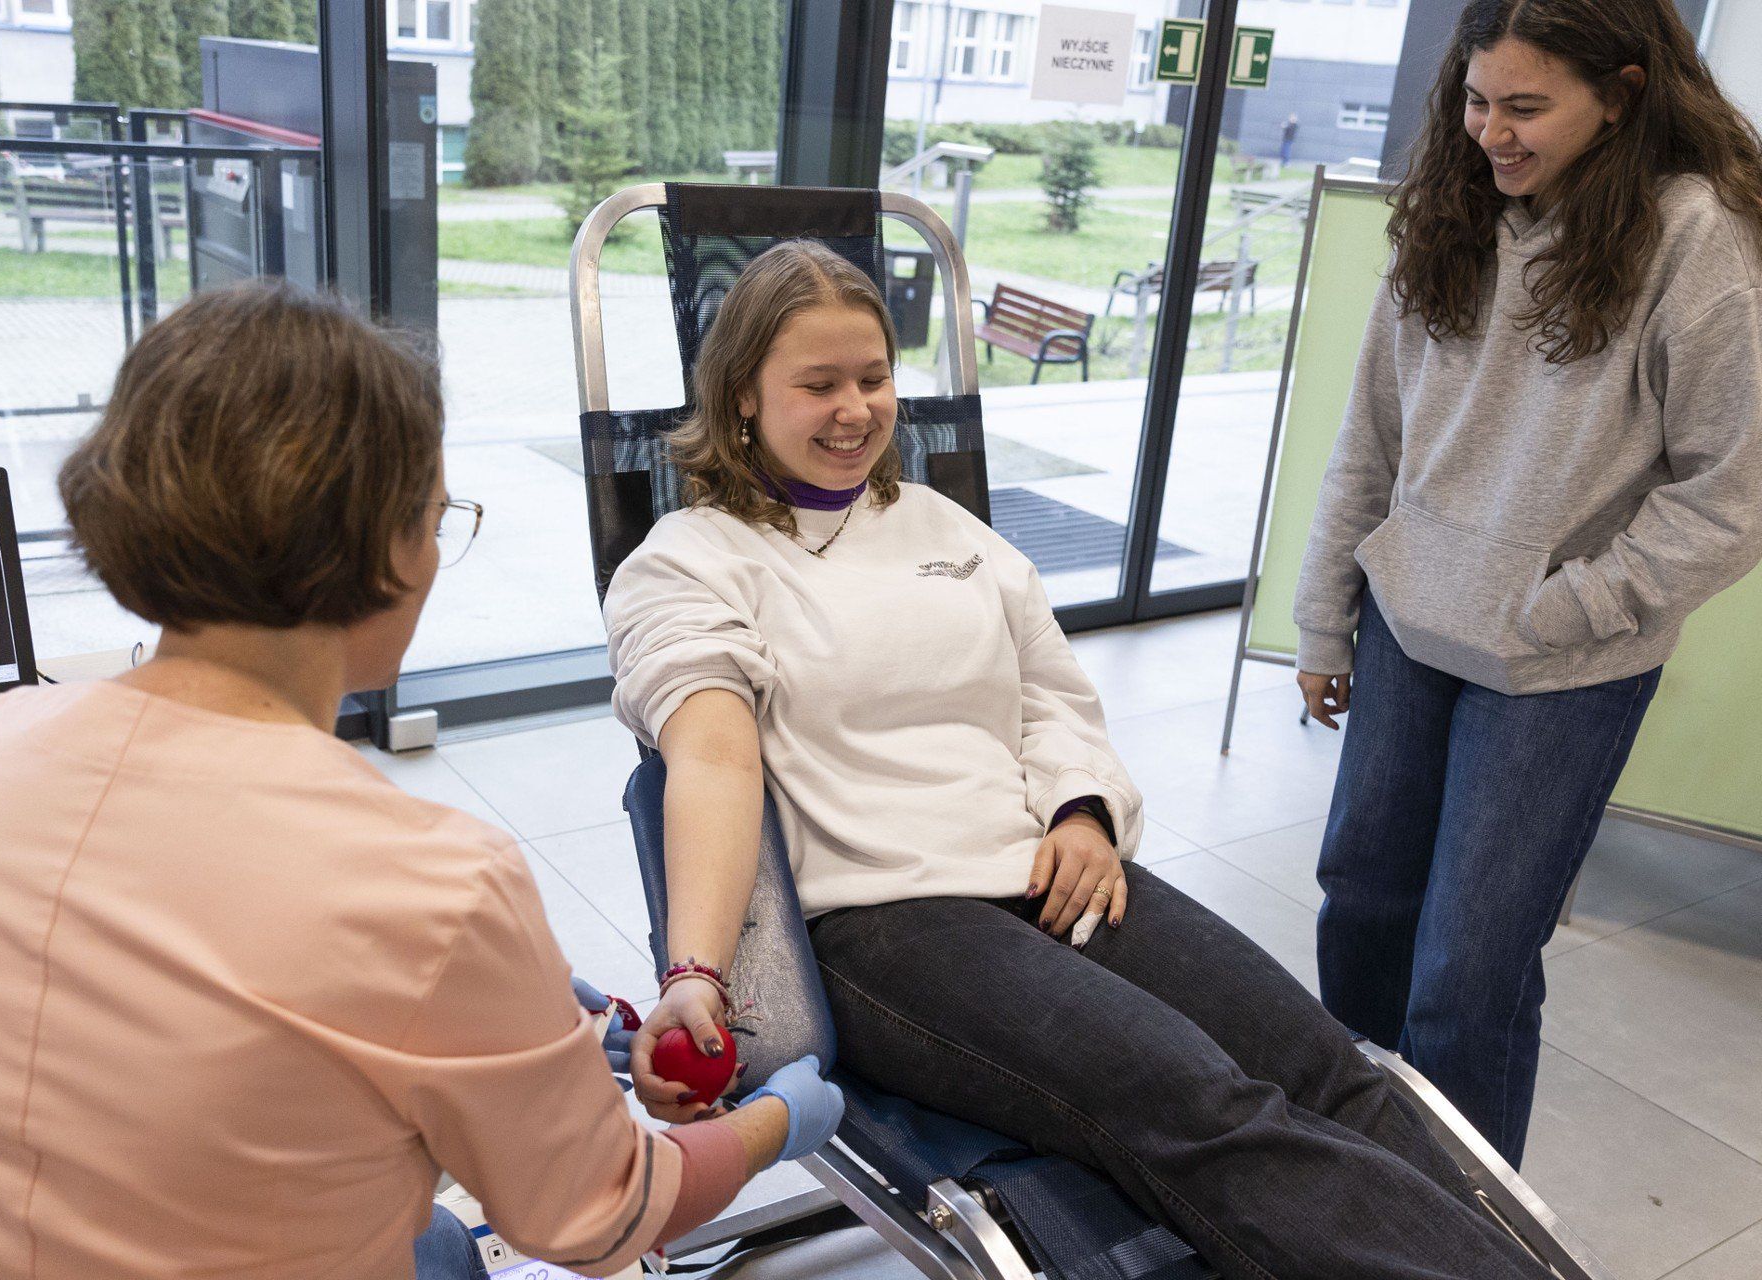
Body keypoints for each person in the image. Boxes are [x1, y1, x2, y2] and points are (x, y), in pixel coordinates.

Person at [602, 239, 1556, 1280]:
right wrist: (692, 973)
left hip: (1045, 869)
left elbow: (1051, 697)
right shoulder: (690, 562)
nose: (857, 409)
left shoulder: (948, 530)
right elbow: (711, 766)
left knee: (1324, 1064)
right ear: (743, 395)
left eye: (874, 377)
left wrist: (1083, 813)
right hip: (888, 917)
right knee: (1195, 1098)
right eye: (818, 384)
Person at [0, 279, 842, 1280]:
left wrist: (510, 1023)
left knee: (440, 1239)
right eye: (435, 515)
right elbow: (602, 1217)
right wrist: (779, 1120)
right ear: (389, 545)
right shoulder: (431, 883)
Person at [1296, 0, 1762, 1170]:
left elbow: (1733, 492)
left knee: (1468, 967)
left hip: (1564, 663)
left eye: (1524, 107)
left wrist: (1568, 605)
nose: (1488, 131)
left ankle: (1460, 1220)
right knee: (1361, 904)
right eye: (1472, 98)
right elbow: (1371, 435)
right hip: (1409, 624)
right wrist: (1326, 616)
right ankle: (1353, 1177)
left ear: (1625, 90)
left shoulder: (1699, 237)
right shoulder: (1451, 214)